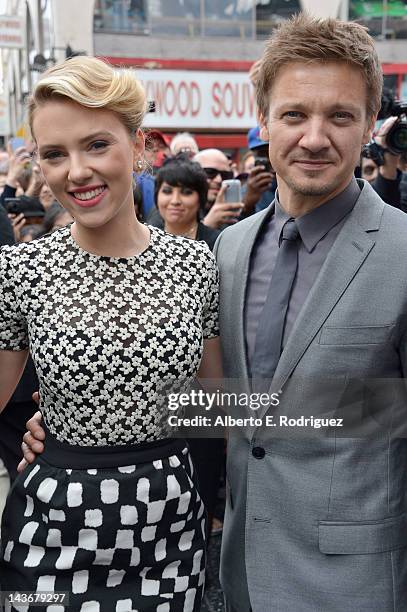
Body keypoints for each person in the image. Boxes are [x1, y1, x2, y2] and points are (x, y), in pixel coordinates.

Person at [0, 55, 222, 611]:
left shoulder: (196, 266)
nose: (75, 171)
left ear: (140, 146)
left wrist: (363, 408)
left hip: (168, 529)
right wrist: (45, 425)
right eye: (54, 154)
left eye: (96, 145)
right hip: (52, 527)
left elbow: (217, 408)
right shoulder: (21, 270)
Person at [213, 14, 407, 611]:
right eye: (295, 114)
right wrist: (75, 426)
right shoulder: (231, 247)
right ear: (265, 118)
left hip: (358, 586)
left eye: (340, 116)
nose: (315, 137)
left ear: (369, 125)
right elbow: (233, 405)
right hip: (239, 573)